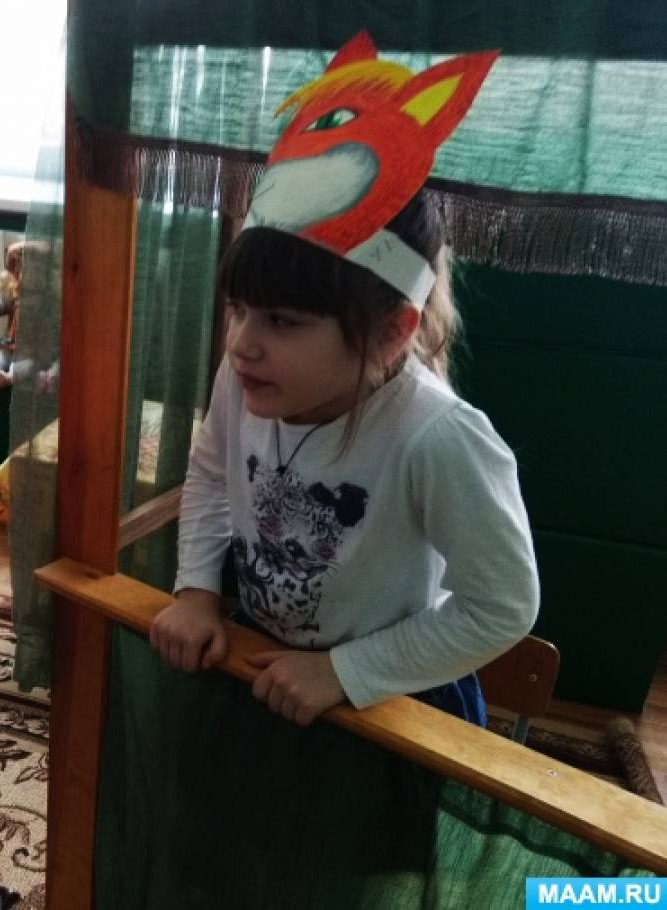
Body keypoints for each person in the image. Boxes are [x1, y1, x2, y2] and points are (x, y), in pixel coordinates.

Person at [150, 33, 539, 728]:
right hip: (260, 662)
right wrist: (197, 591)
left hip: (386, 704)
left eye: (281, 321)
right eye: (238, 310)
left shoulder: (437, 437)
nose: (240, 344)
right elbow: (211, 475)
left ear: (390, 332)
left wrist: (344, 671)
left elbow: (502, 605)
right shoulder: (243, 376)